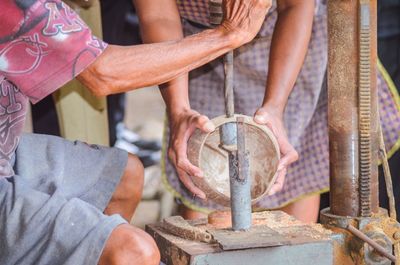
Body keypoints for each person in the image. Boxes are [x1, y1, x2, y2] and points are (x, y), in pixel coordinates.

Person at [0, 0, 271, 264]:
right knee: (135, 252)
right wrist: (229, 35)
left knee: (125, 175)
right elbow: (103, 73)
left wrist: (179, 109)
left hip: (7, 152)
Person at [134, 0, 400, 222]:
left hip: (287, 35)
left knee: (290, 166)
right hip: (194, 44)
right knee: (207, 172)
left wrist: (274, 107)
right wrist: (179, 108)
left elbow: (295, 6)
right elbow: (158, 14)